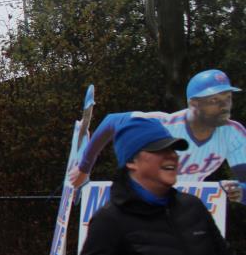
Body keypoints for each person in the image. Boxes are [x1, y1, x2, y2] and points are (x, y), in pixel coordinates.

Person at [67, 117, 246, 255]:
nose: (172, 156)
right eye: (159, 150)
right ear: (132, 161)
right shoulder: (111, 219)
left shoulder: (193, 206)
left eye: (173, 149)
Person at [70, 69, 245, 203]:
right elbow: (111, 121)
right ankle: (82, 181)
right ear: (193, 103)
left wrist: (241, 192)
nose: (225, 106)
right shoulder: (164, 125)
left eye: (228, 98)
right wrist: (85, 167)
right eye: (214, 100)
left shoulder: (233, 134)